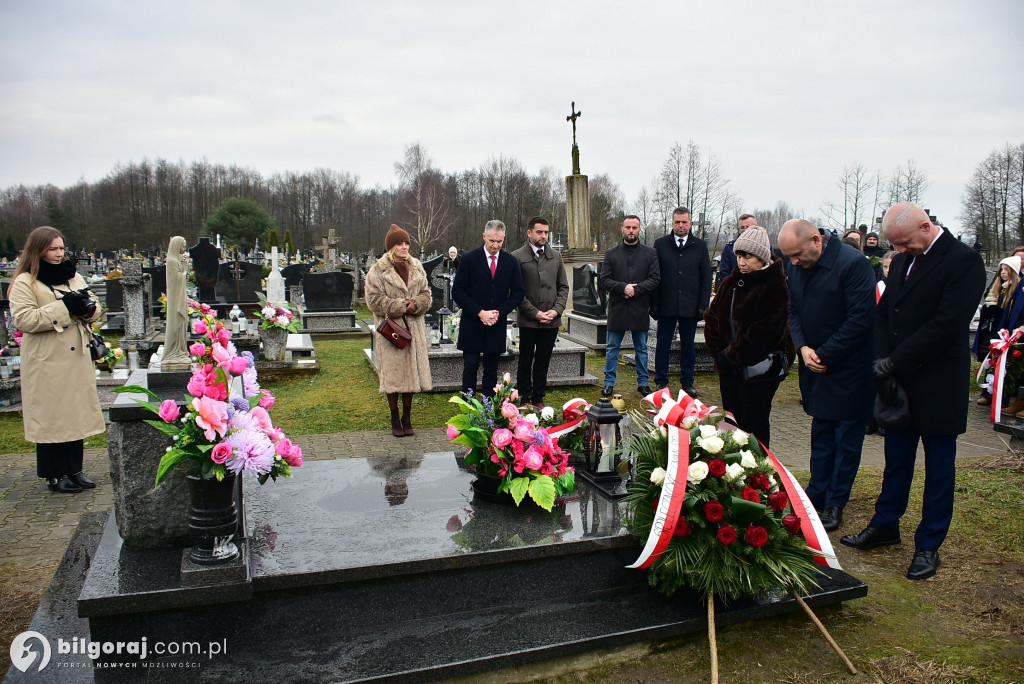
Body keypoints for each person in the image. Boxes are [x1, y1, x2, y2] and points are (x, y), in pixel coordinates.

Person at [842, 203, 987, 581]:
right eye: (896, 245)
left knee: (938, 468)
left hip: (939, 382)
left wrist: (894, 362)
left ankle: (929, 544)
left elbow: (947, 324)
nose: (900, 251)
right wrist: (882, 359)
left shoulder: (964, 261)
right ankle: (885, 524)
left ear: (925, 226)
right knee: (896, 459)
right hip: (899, 382)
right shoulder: (906, 259)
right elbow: (885, 313)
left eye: (904, 243)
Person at [778, 218, 876, 533]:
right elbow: (793, 310)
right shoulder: (798, 265)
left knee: (846, 439)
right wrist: (803, 347)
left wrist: (825, 353)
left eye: (797, 255)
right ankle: (816, 492)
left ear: (816, 241)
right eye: (789, 257)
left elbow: (860, 319)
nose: (794, 263)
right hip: (815, 365)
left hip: (849, 369)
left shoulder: (853, 264)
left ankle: (836, 501)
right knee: (821, 435)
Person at [9, 226, 105, 494]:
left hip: (76, 358)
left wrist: (88, 310)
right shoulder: (26, 282)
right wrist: (64, 307)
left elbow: (95, 305)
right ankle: (55, 474)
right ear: (38, 250)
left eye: (61, 248)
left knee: (74, 414)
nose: (59, 253)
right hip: (47, 360)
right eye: (52, 249)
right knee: (53, 417)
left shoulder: (72, 276)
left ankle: (75, 470)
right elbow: (24, 319)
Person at [703, 227, 793, 447]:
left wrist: (732, 355)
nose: (742, 262)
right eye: (739, 256)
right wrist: (719, 353)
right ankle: (733, 464)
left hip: (759, 369)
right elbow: (712, 317)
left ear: (761, 258)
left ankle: (758, 465)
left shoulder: (774, 285)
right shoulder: (731, 282)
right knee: (732, 421)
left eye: (748, 257)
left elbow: (767, 331)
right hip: (728, 366)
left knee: (754, 425)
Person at [365, 224, 433, 437]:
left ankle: (407, 417)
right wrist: (400, 306)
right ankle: (395, 417)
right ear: (391, 247)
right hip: (392, 332)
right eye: (400, 244)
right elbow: (373, 300)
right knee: (394, 377)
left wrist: (417, 304)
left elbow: (426, 293)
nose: (404, 247)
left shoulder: (417, 266)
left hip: (413, 330)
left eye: (406, 243)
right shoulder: (378, 270)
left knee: (411, 378)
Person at [452, 220, 524, 397]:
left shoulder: (510, 261)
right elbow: (458, 291)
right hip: (472, 321)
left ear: (504, 238)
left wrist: (500, 312)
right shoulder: (469, 259)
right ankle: (468, 402)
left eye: (499, 241)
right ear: (484, 236)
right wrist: (479, 312)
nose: (495, 245)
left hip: (496, 322)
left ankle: (488, 405)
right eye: (492, 241)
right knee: (471, 364)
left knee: (491, 367)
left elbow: (518, 293)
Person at [652, 207, 712, 397]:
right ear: (672, 223)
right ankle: (661, 381)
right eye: (677, 222)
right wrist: (654, 303)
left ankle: (687, 382)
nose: (680, 225)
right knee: (663, 344)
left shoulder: (700, 246)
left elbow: (706, 278)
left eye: (684, 222)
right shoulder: (661, 244)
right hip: (666, 304)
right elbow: (655, 275)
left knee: (688, 346)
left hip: (690, 305)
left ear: (690, 223)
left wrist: (703, 305)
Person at [599, 215, 660, 397]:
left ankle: (643, 383)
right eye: (628, 227)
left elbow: (655, 278)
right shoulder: (611, 254)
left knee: (641, 348)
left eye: (634, 227)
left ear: (640, 229)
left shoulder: (650, 253)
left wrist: (636, 289)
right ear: (622, 229)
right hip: (618, 307)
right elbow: (604, 280)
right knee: (612, 347)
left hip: (639, 307)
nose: (631, 231)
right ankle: (609, 382)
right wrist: (623, 288)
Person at [512, 217, 568, 407]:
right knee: (525, 360)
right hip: (529, 320)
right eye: (539, 232)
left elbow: (563, 287)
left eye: (546, 232)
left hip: (551, 320)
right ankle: (524, 397)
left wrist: (556, 311)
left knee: (543, 360)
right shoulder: (517, 257)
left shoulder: (556, 257)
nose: (543, 236)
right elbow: (516, 291)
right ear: (529, 233)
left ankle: (538, 398)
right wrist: (534, 313)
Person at [973, 255, 1021, 405]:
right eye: (1001, 269)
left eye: (1006, 270)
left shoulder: (1016, 289)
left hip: (1005, 332)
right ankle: (988, 393)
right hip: (991, 330)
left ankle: (1002, 396)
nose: (1003, 272)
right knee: (991, 362)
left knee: (1005, 365)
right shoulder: (996, 287)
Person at [716, 213, 757, 287]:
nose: (745, 230)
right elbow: (724, 274)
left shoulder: (765, 247)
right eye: (742, 227)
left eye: (748, 227)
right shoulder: (729, 248)